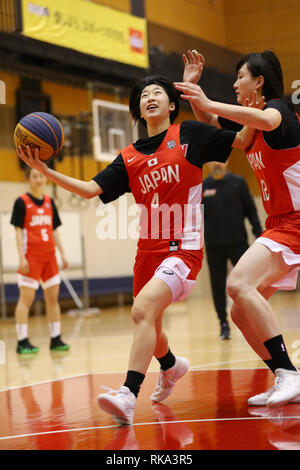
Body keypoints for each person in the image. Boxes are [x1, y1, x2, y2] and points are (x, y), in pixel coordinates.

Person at [17, 75, 257, 425]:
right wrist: (45, 170)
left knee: (142, 310)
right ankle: (172, 366)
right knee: (150, 324)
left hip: (183, 250)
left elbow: (241, 140)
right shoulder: (128, 158)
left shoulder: (189, 134)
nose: (150, 97)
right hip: (147, 253)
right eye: (144, 95)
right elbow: (88, 190)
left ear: (172, 104)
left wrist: (251, 110)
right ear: (139, 111)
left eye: (158, 92)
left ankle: (128, 395)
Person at [175, 50, 300, 407]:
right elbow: (219, 125)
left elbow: (271, 119)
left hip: (296, 222)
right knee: (239, 310)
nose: (234, 83)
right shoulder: (249, 129)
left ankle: (289, 374)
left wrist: (209, 99)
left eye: (240, 77)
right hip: (279, 223)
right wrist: (194, 92)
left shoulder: (280, 110)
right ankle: (283, 375)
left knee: (237, 283)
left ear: (259, 82)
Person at [10, 167, 70, 354]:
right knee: (26, 300)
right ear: (28, 179)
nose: (38, 179)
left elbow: (54, 231)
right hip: (31, 258)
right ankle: (22, 341)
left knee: (52, 299)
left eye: (41, 175)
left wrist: (63, 253)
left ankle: (56, 338)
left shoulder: (50, 203)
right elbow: (18, 233)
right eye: (34, 176)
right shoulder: (21, 202)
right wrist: (21, 258)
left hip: (49, 257)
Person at [203, 160, 262, 340]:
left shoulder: (239, 183)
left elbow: (251, 211)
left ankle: (254, 320)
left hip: (238, 244)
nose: (217, 164)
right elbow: (193, 217)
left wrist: (259, 234)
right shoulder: (202, 187)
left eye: (220, 160)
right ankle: (223, 323)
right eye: (212, 161)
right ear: (207, 165)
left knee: (247, 284)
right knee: (218, 286)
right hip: (214, 247)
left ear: (227, 161)